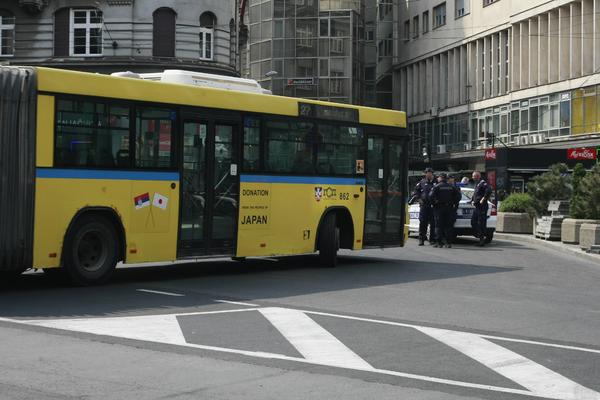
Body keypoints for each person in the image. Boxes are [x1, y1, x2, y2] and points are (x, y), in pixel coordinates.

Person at [429, 173, 461, 248]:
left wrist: (434, 204)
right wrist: (454, 203)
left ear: (441, 178)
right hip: (449, 208)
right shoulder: (452, 187)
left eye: (438, 177)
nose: (437, 179)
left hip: (439, 208)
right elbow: (458, 196)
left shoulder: (437, 186)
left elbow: (430, 196)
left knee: (438, 226)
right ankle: (448, 243)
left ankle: (439, 243)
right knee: (448, 226)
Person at [411, 167, 436, 246]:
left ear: (432, 174)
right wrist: (419, 199)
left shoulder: (436, 182)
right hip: (424, 205)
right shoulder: (422, 182)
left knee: (433, 223)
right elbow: (415, 191)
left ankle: (432, 240)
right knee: (423, 222)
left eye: (430, 173)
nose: (428, 174)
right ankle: (421, 239)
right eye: (427, 173)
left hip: (434, 206)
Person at [471, 171, 492, 246]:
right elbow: (476, 194)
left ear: (477, 176)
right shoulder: (477, 184)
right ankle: (480, 235)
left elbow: (489, 190)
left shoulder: (483, 183)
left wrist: (483, 199)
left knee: (481, 223)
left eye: (473, 176)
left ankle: (482, 239)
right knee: (473, 222)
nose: (472, 177)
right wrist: (472, 200)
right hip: (477, 207)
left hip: (482, 207)